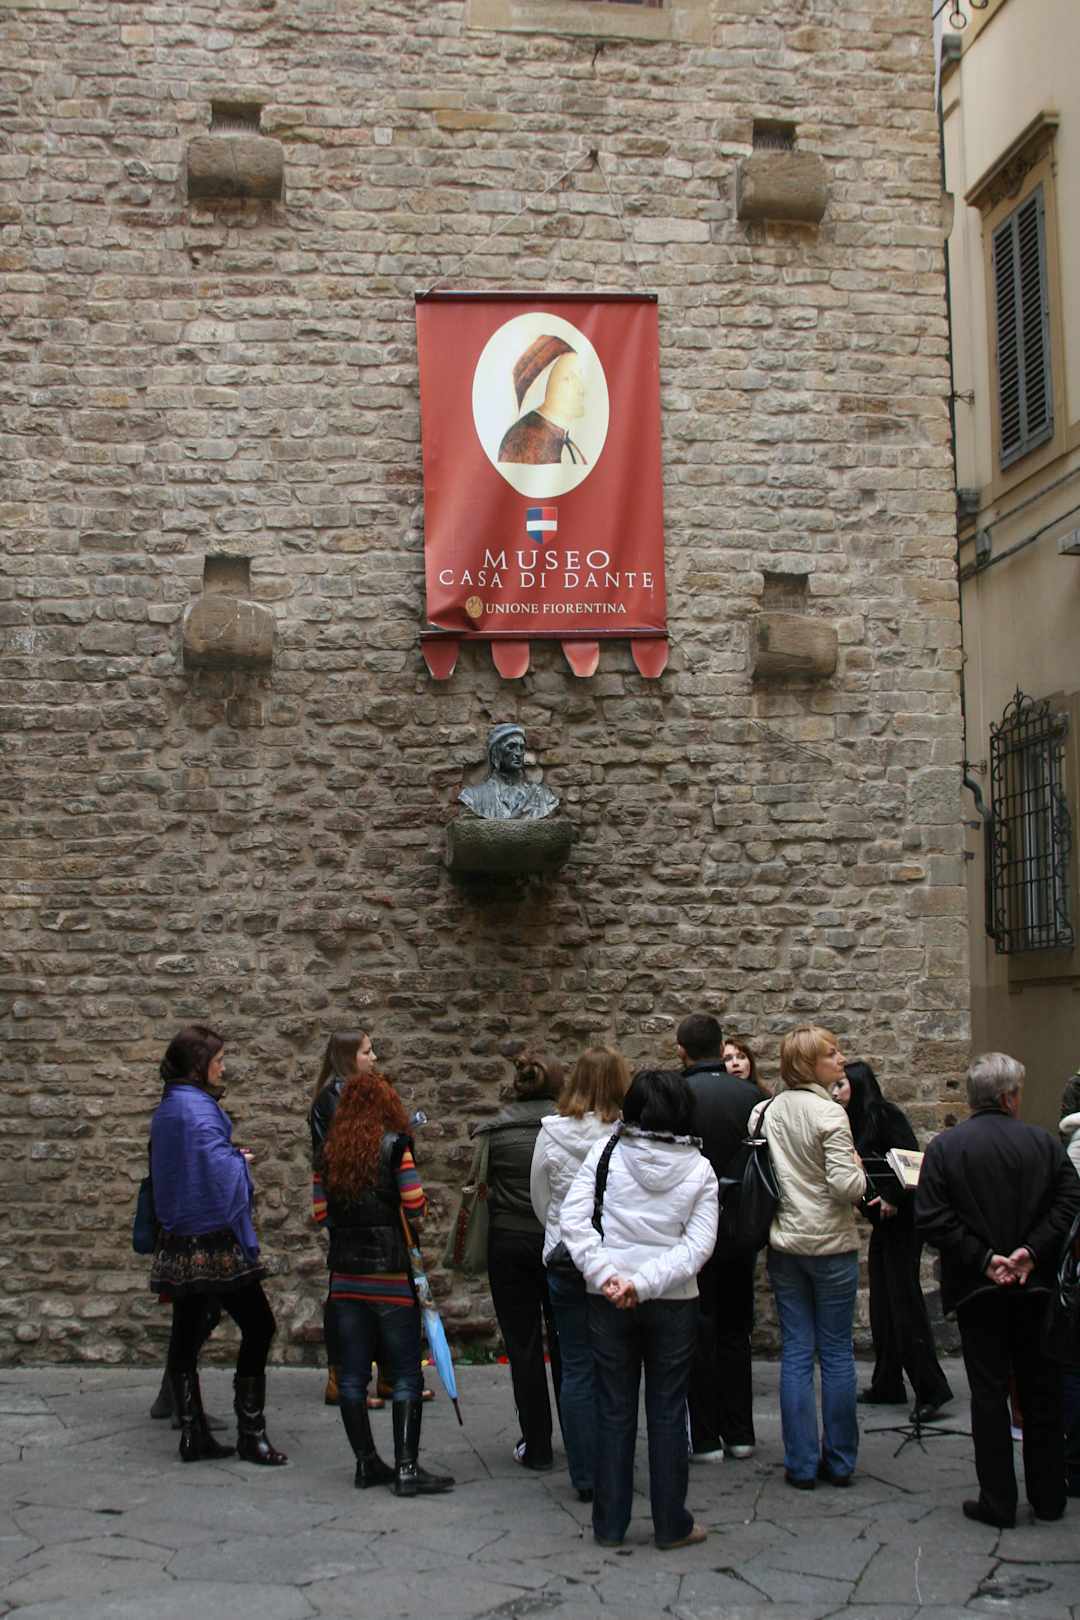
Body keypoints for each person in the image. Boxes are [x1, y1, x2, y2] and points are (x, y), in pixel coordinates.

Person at [916, 1051, 1080, 1527]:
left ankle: (998, 1500)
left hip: (977, 1291)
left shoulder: (946, 1149)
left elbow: (932, 1218)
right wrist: (1030, 1251)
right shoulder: (1043, 1144)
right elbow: (1070, 1199)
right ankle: (1049, 1497)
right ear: (1009, 1097)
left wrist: (984, 1260)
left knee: (988, 1394)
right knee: (1040, 1389)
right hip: (1034, 1289)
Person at [560, 1068, 718, 1550]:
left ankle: (609, 1524)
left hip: (608, 1299)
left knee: (613, 1407)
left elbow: (574, 1220)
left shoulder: (605, 1153)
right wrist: (643, 1284)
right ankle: (671, 1523)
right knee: (668, 1410)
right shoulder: (699, 1169)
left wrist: (608, 1276)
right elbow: (697, 1245)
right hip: (673, 1301)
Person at [150, 1024, 286, 1466]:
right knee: (260, 1325)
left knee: (186, 1334)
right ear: (199, 1065)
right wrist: (239, 1161)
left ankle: (194, 1434)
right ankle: (251, 1433)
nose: (223, 1068)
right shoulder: (198, 1110)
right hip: (215, 1242)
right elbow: (216, 1174)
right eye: (219, 1060)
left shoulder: (170, 1105)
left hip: (178, 1238)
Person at [315, 1062, 453, 1497]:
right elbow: (414, 1204)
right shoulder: (395, 1147)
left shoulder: (328, 1154)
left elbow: (320, 1214)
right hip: (391, 1277)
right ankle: (407, 1468)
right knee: (407, 1373)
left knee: (352, 1376)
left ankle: (366, 1462)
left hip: (345, 1279)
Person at [754, 1025, 866, 1490]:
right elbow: (845, 1187)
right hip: (831, 1243)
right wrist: (859, 1169)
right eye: (831, 1053)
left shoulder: (765, 1111)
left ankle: (800, 1463)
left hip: (786, 1243)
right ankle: (839, 1460)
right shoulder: (830, 1114)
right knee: (836, 1352)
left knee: (797, 1352)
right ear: (808, 1065)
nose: (841, 1059)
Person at [530, 1046, 630, 1500]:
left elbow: (540, 1196)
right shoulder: (626, 1133)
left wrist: (557, 1231)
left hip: (566, 1255)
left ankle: (585, 1472)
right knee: (615, 1365)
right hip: (613, 1256)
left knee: (575, 1364)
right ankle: (612, 1463)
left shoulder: (551, 1132)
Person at [830, 1060, 953, 1424]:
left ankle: (931, 1389)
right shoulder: (848, 1122)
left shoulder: (885, 1114)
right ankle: (888, 1382)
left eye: (841, 1085)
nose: (835, 1092)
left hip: (905, 1221)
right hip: (884, 1225)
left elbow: (912, 1161)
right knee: (883, 1303)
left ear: (858, 1084)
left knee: (904, 1302)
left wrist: (892, 1197)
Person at [677, 1012, 761, 1463]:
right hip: (739, 1226)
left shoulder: (676, 1094)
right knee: (735, 1330)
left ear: (682, 1051)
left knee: (698, 1329)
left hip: (690, 1228)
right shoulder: (752, 1096)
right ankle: (741, 1432)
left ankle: (706, 1437)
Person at [475, 1050, 563, 1470]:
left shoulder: (494, 1132)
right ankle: (579, 1435)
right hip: (558, 1243)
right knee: (566, 1342)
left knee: (523, 1345)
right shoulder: (566, 1129)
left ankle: (537, 1444)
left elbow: (480, 1187)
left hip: (508, 1241)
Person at [310, 1031, 378, 1410]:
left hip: (358, 1204)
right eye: (367, 1052)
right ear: (349, 1057)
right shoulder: (336, 1096)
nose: (374, 1057)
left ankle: (378, 1373)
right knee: (348, 1294)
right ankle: (343, 1376)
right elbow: (347, 1151)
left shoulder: (350, 1093)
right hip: (352, 1206)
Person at [498, 342, 588, 466]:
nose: (581, 389)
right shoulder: (525, 442)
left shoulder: (562, 436)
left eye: (580, 376)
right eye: (568, 378)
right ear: (542, 387)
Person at [459, 724, 559, 821]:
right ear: (495, 752)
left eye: (521, 747)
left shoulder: (542, 796)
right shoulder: (473, 796)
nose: (518, 753)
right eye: (511, 747)